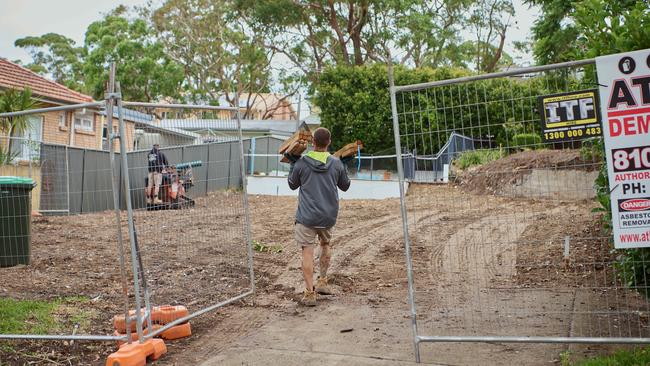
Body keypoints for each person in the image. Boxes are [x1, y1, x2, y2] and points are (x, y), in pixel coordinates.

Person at [285, 127, 351, 306]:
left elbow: (292, 185)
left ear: (312, 142)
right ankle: (322, 282)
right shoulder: (336, 163)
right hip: (328, 216)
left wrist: (293, 165)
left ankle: (309, 293)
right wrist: (345, 166)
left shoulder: (302, 163)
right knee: (325, 244)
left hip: (307, 217)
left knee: (307, 251)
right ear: (328, 142)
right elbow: (345, 186)